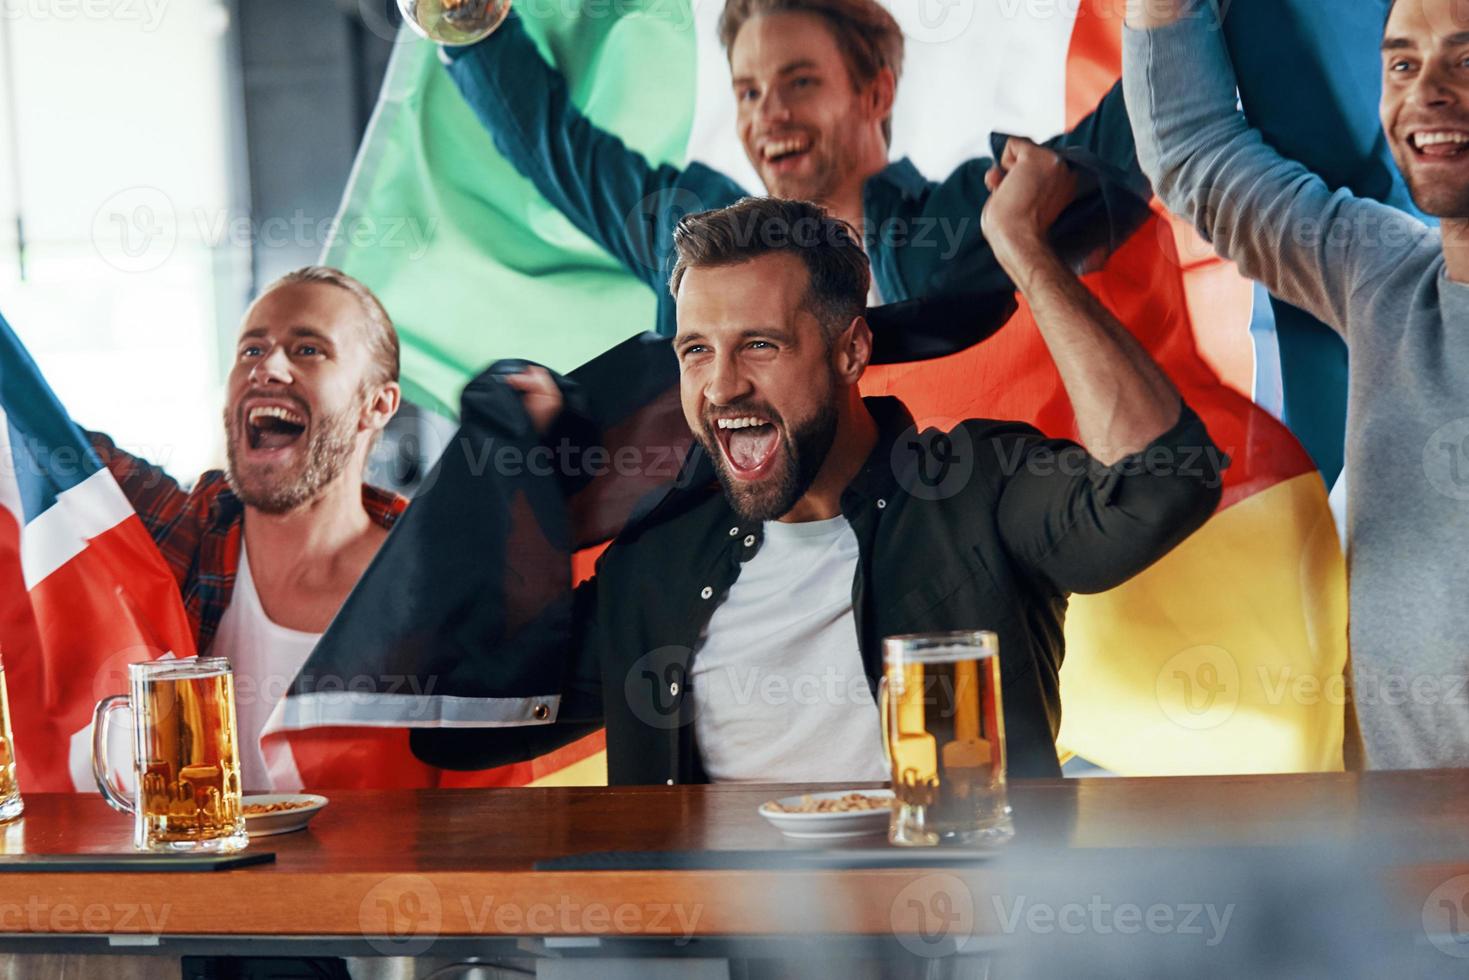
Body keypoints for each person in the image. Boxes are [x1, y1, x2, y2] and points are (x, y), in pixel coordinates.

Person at [412, 161, 1224, 784]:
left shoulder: (976, 487)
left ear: (850, 351)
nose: (722, 386)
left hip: (960, 946)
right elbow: (458, 722)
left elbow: (1160, 487)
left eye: (759, 345)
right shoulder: (656, 565)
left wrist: (1022, 247)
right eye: (697, 350)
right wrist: (501, 470)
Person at [1123, 0, 1469, 768]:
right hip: (1398, 861)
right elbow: (1192, 148)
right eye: (1402, 65)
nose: (1427, 92)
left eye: (1465, 61)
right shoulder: (1377, 275)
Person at [438, 0, 1143, 336]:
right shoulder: (687, 235)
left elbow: (1131, 131)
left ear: (875, 93)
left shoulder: (972, 216)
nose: (766, 113)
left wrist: (1173, 21)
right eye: (747, 92)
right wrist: (464, 20)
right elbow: (553, 144)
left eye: (800, 82)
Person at [91, 265, 404, 792]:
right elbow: (39, 450)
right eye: (251, 351)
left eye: (309, 350)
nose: (267, 368)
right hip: (186, 873)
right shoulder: (176, 534)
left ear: (377, 405)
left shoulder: (436, 583)